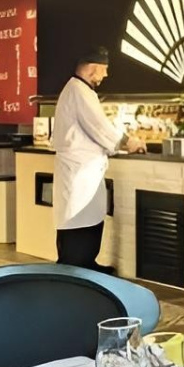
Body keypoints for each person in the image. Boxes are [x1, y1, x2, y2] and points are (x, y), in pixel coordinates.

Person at [53, 46, 122, 270]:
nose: (106, 75)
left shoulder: (79, 90)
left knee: (88, 219)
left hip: (84, 171)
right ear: (92, 68)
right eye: (104, 69)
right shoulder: (78, 91)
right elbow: (98, 126)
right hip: (79, 171)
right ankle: (74, 269)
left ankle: (87, 264)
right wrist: (125, 141)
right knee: (78, 221)